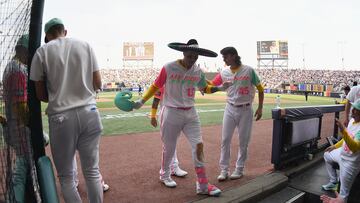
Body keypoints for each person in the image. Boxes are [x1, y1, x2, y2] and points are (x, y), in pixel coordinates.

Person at [132, 39, 231, 196]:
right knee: (169, 148)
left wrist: (220, 88)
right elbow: (156, 85)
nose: (192, 60)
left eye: (195, 57)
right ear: (184, 53)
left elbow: (204, 87)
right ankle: (164, 175)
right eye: (190, 56)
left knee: (198, 145)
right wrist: (141, 101)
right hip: (171, 112)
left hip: (191, 113)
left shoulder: (197, 71)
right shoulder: (169, 67)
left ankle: (203, 185)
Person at [30, 18, 103, 202]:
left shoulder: (42, 51)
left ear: (47, 35)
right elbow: (98, 83)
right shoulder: (85, 45)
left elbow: (40, 94)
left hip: (61, 117)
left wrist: (57, 95)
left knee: (66, 177)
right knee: (92, 172)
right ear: (65, 30)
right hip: (90, 112)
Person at [211, 47, 264, 181]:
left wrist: (260, 108)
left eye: (226, 56)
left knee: (243, 141)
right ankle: (224, 170)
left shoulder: (249, 70)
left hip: (246, 109)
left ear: (234, 56)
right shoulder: (224, 72)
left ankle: (239, 169)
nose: (223, 59)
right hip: (230, 108)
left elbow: (260, 88)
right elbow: (211, 85)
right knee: (225, 139)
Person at [2, 34, 31, 203]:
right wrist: (31, 125)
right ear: (23, 50)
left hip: (14, 125)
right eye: (29, 52)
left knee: (24, 164)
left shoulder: (12, 67)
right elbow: (20, 105)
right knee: (21, 168)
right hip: (20, 127)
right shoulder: (17, 70)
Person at [321, 100, 360, 202]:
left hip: (351, 163)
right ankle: (334, 181)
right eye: (354, 108)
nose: (353, 111)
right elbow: (347, 137)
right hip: (342, 153)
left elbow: (355, 147)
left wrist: (343, 131)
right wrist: (334, 146)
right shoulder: (352, 121)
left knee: (343, 196)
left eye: (357, 109)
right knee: (327, 155)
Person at [150, 87, 188, 177]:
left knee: (173, 142)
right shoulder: (162, 83)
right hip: (165, 115)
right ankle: (170, 168)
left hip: (176, 114)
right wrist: (153, 116)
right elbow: (156, 100)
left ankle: (173, 166)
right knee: (168, 144)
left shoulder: (176, 80)